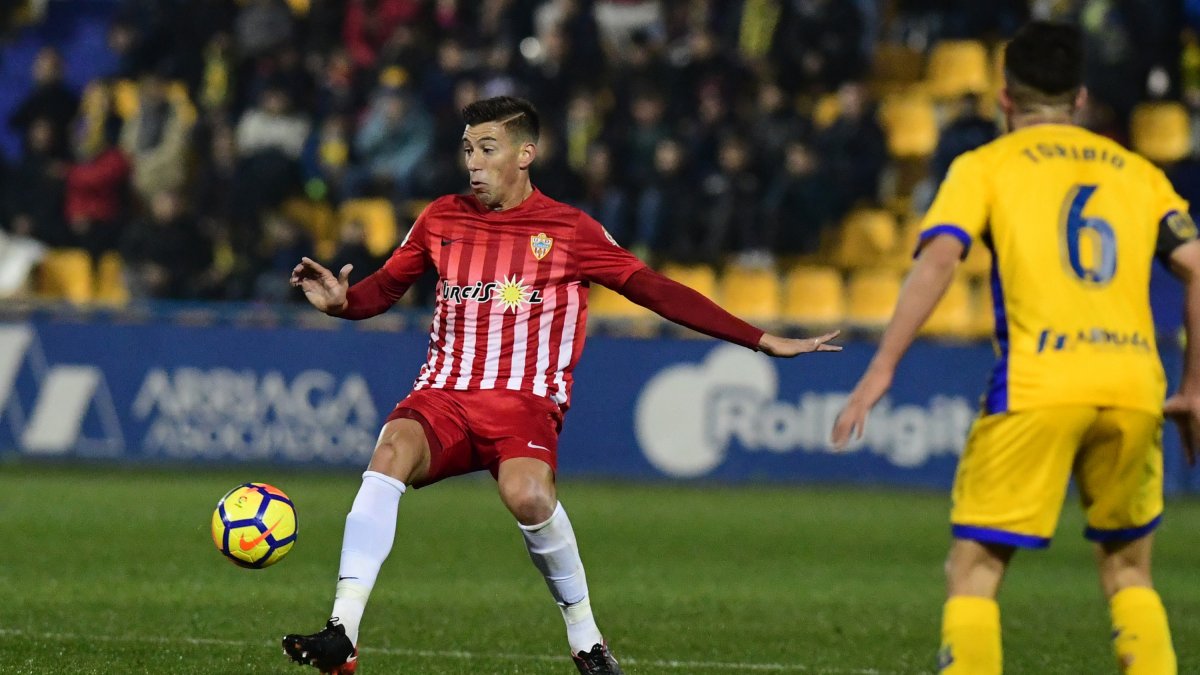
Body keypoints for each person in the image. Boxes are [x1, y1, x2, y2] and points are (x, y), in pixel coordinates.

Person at [284, 96, 841, 674]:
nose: (473, 163)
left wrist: (758, 338)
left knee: (528, 496)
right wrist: (343, 303)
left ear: (526, 154)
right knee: (390, 453)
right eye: (468, 149)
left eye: (488, 149)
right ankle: (342, 630)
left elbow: (653, 289)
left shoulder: (569, 230)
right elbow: (383, 290)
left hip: (524, 404)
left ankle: (586, 640)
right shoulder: (440, 218)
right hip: (444, 393)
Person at [831, 22, 1199, 675]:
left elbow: (941, 258)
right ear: (1079, 99)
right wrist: (1194, 386)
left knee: (972, 569)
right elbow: (1196, 266)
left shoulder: (984, 165)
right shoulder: (1140, 173)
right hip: (1135, 381)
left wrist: (882, 366)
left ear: (1005, 99)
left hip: (1039, 379)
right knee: (1128, 569)